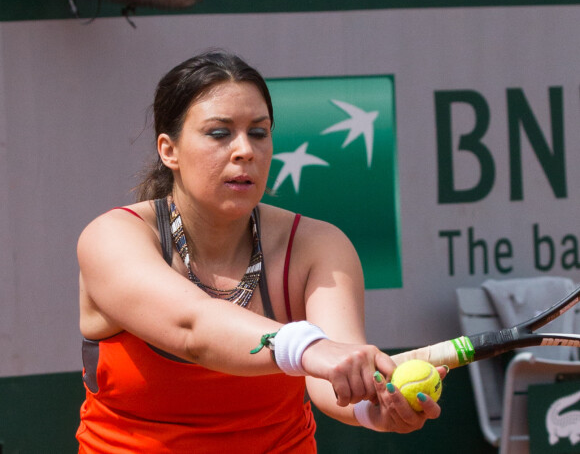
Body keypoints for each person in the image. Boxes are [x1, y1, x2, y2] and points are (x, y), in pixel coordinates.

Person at [76, 50, 445, 453]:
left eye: (258, 132)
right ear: (169, 150)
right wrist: (308, 347)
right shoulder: (112, 237)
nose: (244, 150)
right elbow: (193, 328)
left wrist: (373, 412)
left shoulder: (319, 245)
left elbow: (331, 381)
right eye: (219, 133)